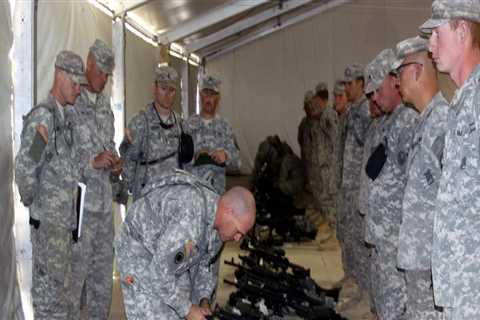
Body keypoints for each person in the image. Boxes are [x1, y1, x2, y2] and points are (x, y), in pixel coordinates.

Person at [114, 169, 256, 320]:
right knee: (155, 314)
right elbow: (159, 274)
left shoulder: (219, 225)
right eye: (239, 230)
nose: (237, 238)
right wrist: (188, 309)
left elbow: (205, 264)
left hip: (166, 254)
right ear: (228, 211)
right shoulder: (190, 216)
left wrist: (203, 300)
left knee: (178, 308)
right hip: (138, 251)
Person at [419, 1, 480, 317]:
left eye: (436, 33)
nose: (430, 45)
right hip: (459, 287)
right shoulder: (462, 103)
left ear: (462, 30)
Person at [15, 50, 85, 319]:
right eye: (75, 83)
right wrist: (37, 208)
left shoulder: (64, 119)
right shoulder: (43, 117)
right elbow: (24, 169)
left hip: (63, 232)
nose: (78, 91)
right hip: (48, 234)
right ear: (59, 75)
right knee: (48, 305)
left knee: (64, 305)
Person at [393, 36, 447, 320]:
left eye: (400, 73)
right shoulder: (423, 123)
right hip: (417, 259)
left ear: (416, 71)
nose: (396, 82)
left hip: (430, 264)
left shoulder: (441, 124)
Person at [364, 48, 418, 320]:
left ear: (392, 79)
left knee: (396, 310)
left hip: (396, 243)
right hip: (383, 241)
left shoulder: (408, 122)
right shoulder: (389, 122)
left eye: (376, 90)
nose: (374, 98)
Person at [68, 38, 119, 320]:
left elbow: (108, 142)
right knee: (76, 281)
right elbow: (58, 158)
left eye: (108, 74)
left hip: (103, 207)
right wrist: (91, 162)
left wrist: (114, 160)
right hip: (79, 209)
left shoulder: (104, 104)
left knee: (102, 280)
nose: (104, 78)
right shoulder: (71, 102)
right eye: (101, 72)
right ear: (88, 64)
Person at [120, 65, 183, 200]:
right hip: (147, 199)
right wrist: (128, 194)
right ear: (154, 89)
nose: (167, 94)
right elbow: (128, 161)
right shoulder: (140, 123)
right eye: (163, 88)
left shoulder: (180, 124)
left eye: (171, 90)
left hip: (173, 197)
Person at [338, 63, 371, 294]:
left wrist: (356, 113)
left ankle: (362, 288)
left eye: (350, 84)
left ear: (361, 83)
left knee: (359, 241)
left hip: (358, 186)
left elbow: (364, 139)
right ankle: (351, 277)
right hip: (347, 185)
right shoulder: (351, 111)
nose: (347, 88)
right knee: (347, 235)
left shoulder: (366, 110)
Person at [186, 74, 241, 194]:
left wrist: (226, 156)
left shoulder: (225, 127)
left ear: (218, 98)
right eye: (205, 93)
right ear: (200, 96)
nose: (208, 98)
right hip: (193, 193)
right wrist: (194, 157)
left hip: (217, 194)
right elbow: (178, 160)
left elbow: (238, 162)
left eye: (212, 94)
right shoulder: (188, 126)